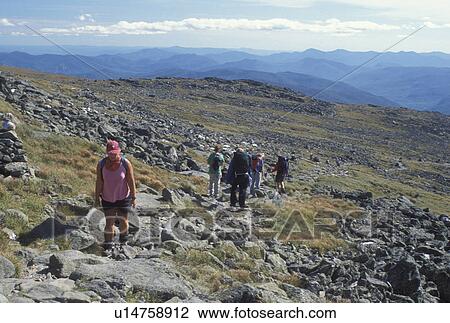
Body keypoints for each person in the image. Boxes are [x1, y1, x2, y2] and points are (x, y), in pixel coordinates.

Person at [95, 140, 137, 252]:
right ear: (107, 152)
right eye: (110, 153)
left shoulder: (125, 163)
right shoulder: (101, 164)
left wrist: (133, 197)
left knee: (123, 220)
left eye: (115, 153)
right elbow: (99, 181)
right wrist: (96, 198)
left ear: (119, 151)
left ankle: (124, 241)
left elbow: (131, 180)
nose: (112, 155)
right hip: (107, 198)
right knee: (109, 222)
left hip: (123, 197)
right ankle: (108, 245)